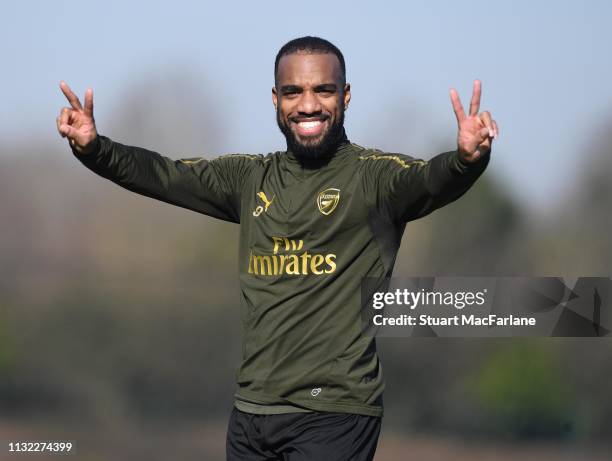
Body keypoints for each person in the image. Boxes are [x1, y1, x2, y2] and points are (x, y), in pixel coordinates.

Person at [56, 36, 498, 461]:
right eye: (294, 92)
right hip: (252, 412)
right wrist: (95, 149)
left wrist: (465, 162)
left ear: (345, 97)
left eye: (323, 90)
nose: (308, 104)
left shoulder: (374, 178)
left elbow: (427, 181)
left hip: (334, 414)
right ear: (275, 99)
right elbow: (165, 175)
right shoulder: (249, 179)